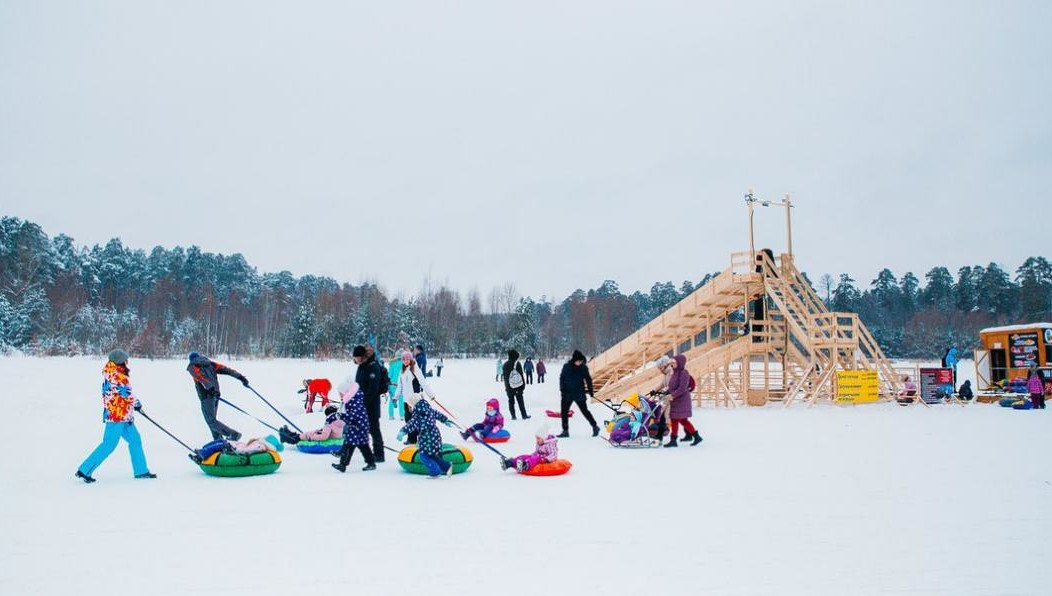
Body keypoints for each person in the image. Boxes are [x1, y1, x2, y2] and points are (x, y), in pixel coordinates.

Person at [75, 350, 155, 483]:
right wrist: (137, 404)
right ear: (120, 362)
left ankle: (141, 471)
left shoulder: (111, 373)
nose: (127, 363)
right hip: (116, 417)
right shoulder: (116, 376)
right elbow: (126, 394)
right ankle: (85, 469)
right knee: (109, 444)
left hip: (124, 416)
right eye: (125, 361)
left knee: (135, 439)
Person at [187, 352, 248, 441]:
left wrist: (209, 388)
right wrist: (241, 377)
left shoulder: (193, 366)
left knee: (211, 421)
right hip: (215, 395)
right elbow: (226, 370)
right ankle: (218, 440)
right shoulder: (210, 364)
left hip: (207, 396)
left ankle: (232, 434)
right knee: (212, 420)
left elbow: (200, 377)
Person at [397, 394, 457, 478]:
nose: (409, 408)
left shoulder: (418, 414)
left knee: (423, 455)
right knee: (432, 455)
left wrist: (402, 432)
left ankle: (435, 472)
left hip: (427, 437)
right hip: (435, 435)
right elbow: (438, 414)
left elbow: (411, 424)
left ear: (413, 404)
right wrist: (445, 420)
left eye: (410, 406)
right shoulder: (429, 409)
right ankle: (447, 467)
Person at [352, 345, 387, 462]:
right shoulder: (362, 366)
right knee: (355, 429)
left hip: (371, 405)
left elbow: (373, 389)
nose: (355, 359)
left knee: (374, 429)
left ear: (362, 357)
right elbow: (358, 385)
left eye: (356, 357)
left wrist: (363, 403)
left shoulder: (373, 367)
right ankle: (344, 452)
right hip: (361, 403)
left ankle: (379, 455)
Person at [333, 387, 376, 472]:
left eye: (341, 393)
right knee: (352, 445)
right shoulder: (352, 400)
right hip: (356, 426)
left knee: (354, 445)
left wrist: (341, 416)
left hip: (359, 427)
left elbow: (353, 417)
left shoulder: (356, 401)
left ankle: (343, 464)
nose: (340, 395)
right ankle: (343, 464)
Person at [557, 350, 599, 438]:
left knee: (584, 411)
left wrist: (591, 390)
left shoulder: (583, 368)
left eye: (581, 361)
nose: (579, 363)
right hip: (567, 394)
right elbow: (562, 378)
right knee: (564, 412)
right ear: (574, 360)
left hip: (579, 393)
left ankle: (595, 426)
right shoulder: (566, 367)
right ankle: (565, 430)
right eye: (578, 361)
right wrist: (562, 388)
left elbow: (588, 379)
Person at [665, 354, 702, 447]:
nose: (672, 364)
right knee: (681, 420)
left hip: (682, 400)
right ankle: (696, 436)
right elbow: (673, 386)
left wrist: (672, 395)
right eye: (672, 362)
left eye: (674, 362)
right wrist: (667, 392)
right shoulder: (675, 372)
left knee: (676, 420)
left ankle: (674, 440)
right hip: (676, 400)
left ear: (680, 363)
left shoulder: (684, 373)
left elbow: (682, 388)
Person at [280, 404, 344, 445]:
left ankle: (287, 437)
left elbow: (324, 436)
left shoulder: (329, 422)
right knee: (310, 432)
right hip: (335, 436)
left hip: (323, 437)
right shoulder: (339, 420)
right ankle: (290, 434)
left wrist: (311, 437)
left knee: (307, 434)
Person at [503, 349, 530, 420]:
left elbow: (505, 377)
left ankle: (513, 416)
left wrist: (507, 387)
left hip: (509, 387)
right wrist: (523, 386)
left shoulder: (505, 365)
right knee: (520, 401)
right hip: (518, 386)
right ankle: (524, 415)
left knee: (511, 401)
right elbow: (521, 375)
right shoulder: (517, 364)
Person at [387, 354, 405, 421]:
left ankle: (391, 415)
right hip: (401, 385)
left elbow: (389, 376)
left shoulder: (392, 364)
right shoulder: (404, 365)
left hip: (392, 385)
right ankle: (402, 416)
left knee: (392, 400)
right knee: (401, 401)